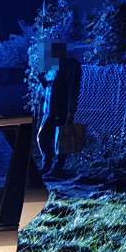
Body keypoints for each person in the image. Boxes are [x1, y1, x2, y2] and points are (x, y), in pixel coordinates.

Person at [36, 40, 81, 178]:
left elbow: (72, 89)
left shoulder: (68, 67)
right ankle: (47, 164)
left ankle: (57, 166)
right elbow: (49, 88)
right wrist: (42, 82)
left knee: (60, 138)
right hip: (48, 109)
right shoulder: (51, 68)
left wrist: (70, 111)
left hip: (60, 109)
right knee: (42, 136)